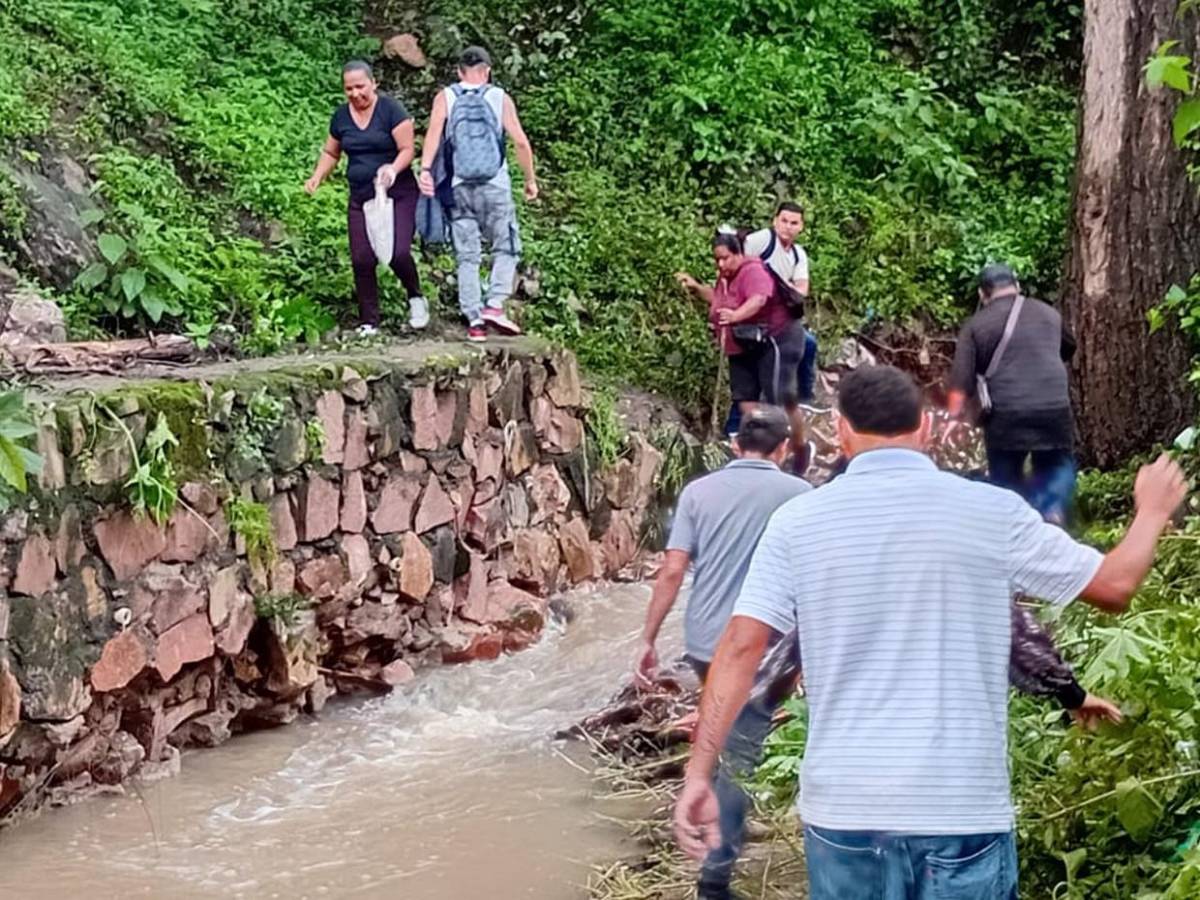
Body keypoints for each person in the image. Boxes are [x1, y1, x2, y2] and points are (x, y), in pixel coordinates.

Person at [674, 364, 1187, 899]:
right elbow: (1114, 586)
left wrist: (699, 775)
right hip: (959, 809)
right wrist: (1151, 512)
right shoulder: (991, 512)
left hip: (846, 811)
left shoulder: (798, 522)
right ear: (925, 427)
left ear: (842, 432)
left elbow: (740, 649)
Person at [635, 406, 810, 900]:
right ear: (783, 450)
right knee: (741, 751)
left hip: (705, 640)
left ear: (735, 445)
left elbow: (672, 571)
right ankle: (715, 876)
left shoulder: (698, 492)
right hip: (767, 643)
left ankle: (713, 818)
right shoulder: (801, 494)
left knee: (721, 732)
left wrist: (648, 638)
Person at [418, 46, 538, 343]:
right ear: (487, 71)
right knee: (506, 246)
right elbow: (521, 142)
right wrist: (530, 181)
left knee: (467, 255)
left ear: (459, 71)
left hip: (458, 187)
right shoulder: (499, 97)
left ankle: (474, 321)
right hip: (495, 185)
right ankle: (494, 305)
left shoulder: (445, 96)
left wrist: (425, 170)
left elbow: (433, 135)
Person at [948, 263, 1078, 523]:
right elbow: (1069, 347)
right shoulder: (1048, 313)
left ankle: (1016, 521)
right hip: (1052, 406)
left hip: (1005, 412)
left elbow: (961, 383)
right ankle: (1051, 509)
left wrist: (952, 418)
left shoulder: (976, 325)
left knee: (1006, 474)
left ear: (982, 294)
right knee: (1056, 462)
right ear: (1017, 286)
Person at [305, 60, 427, 336]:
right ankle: (369, 321)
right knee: (362, 258)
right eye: (349, 89)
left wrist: (392, 169)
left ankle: (415, 296)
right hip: (361, 196)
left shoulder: (391, 110)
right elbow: (331, 152)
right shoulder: (341, 117)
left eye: (360, 86)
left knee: (397, 252)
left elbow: (407, 149)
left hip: (397, 193)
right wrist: (317, 177)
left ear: (374, 83)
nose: (355, 93)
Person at [677, 232, 810, 472]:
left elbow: (758, 300)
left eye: (725, 258)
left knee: (780, 400)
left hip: (777, 339)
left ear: (738, 254)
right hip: (743, 343)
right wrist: (696, 288)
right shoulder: (725, 277)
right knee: (745, 401)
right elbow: (718, 300)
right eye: (717, 259)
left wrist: (735, 316)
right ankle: (759, 456)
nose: (721, 264)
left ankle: (798, 449)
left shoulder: (753, 271)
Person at [742, 202, 818, 404]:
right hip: (753, 313)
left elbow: (802, 291)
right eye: (784, 221)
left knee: (808, 344)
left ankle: (805, 400)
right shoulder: (762, 240)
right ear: (775, 221)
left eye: (794, 223)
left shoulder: (798, 254)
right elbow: (736, 263)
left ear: (801, 227)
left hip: (781, 317)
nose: (788, 227)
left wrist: (782, 284)